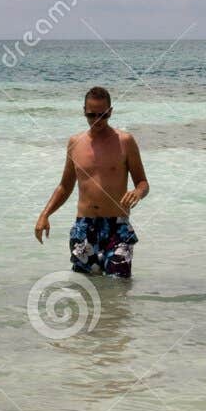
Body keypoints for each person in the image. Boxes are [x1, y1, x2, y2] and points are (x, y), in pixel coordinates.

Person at [33, 86, 149, 278]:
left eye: (102, 115)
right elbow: (65, 186)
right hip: (84, 226)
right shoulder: (75, 143)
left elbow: (143, 182)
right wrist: (45, 215)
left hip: (117, 227)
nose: (97, 120)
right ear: (84, 112)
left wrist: (137, 193)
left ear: (110, 112)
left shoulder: (125, 141)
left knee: (118, 287)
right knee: (84, 288)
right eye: (91, 115)